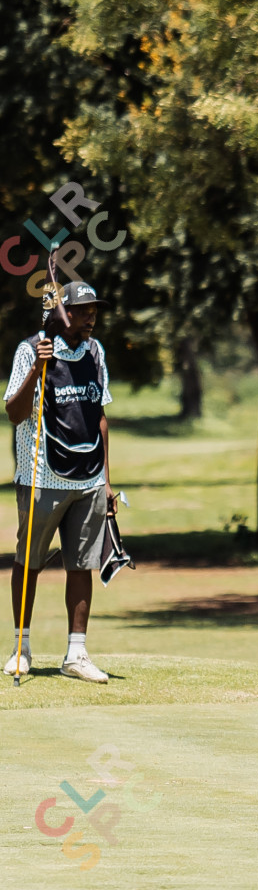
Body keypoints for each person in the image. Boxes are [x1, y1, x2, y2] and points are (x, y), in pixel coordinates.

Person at [6, 280, 117, 682]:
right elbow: (14, 413)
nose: (91, 317)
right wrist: (38, 368)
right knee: (29, 563)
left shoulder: (95, 351)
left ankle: (76, 654)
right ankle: (21, 648)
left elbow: (99, 416)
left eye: (94, 311)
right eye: (83, 311)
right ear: (61, 313)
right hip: (41, 476)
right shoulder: (30, 349)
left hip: (88, 478)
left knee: (82, 565)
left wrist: (106, 480)